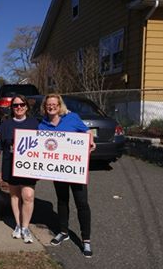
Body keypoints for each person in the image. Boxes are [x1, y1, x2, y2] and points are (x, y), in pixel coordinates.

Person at [37, 93, 96, 258]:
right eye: (48, 104)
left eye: (54, 104)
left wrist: (91, 140)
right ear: (45, 107)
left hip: (75, 169)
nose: (51, 107)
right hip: (58, 170)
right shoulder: (43, 125)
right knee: (62, 201)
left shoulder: (72, 118)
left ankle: (86, 240)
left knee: (82, 203)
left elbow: (87, 131)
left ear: (59, 105)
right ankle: (64, 232)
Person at [0, 95, 39, 244]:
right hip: (10, 163)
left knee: (28, 195)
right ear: (12, 108)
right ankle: (18, 225)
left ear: (26, 106)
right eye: (15, 105)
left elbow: (52, 136)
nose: (19, 107)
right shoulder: (5, 125)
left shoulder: (35, 123)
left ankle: (25, 227)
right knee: (15, 196)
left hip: (28, 165)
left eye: (22, 104)